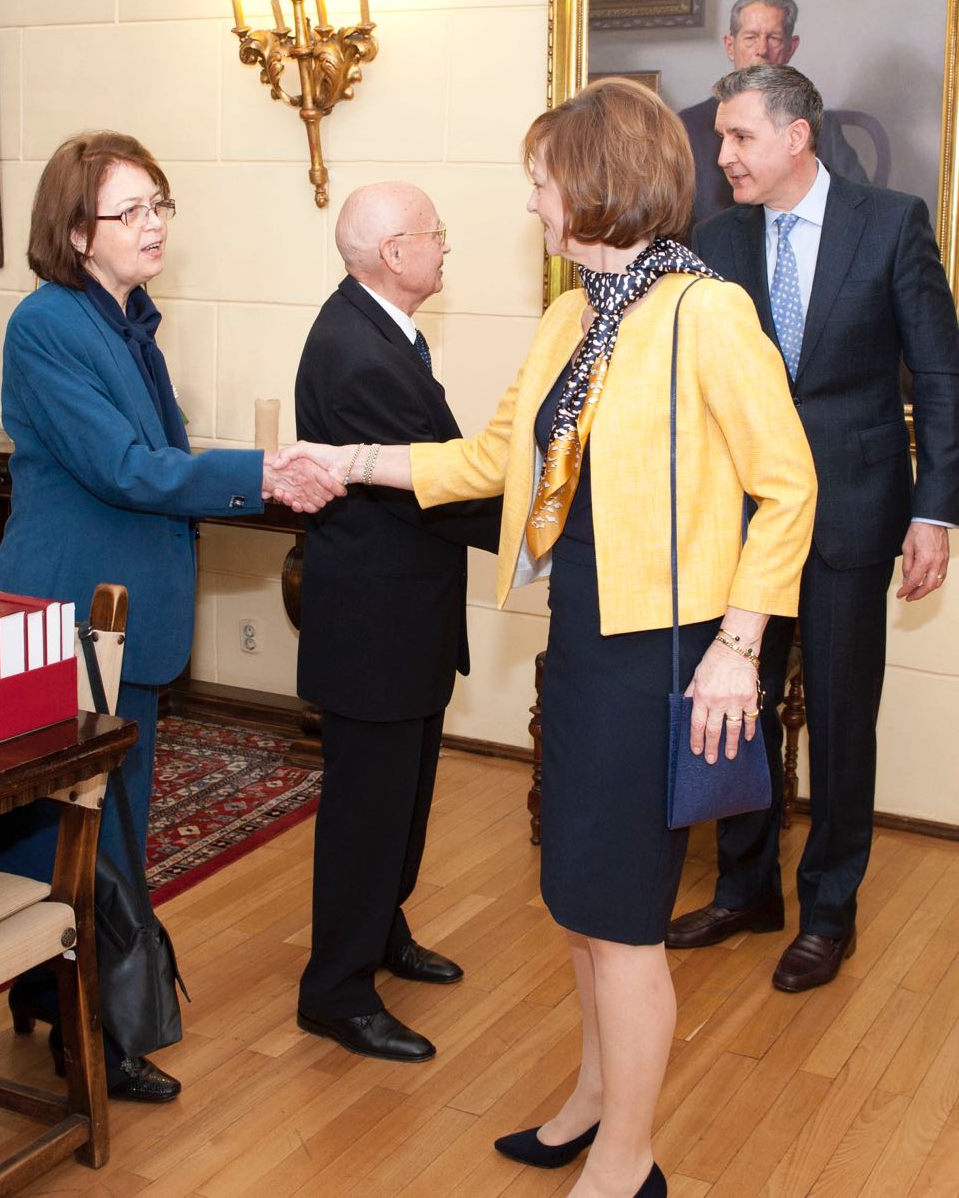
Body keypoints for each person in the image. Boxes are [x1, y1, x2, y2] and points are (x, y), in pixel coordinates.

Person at [277, 81, 817, 1198]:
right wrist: (352, 461)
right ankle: (587, 1102)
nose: (529, 205)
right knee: (578, 903)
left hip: (662, 656)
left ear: (595, 183)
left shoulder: (702, 313)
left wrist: (738, 644)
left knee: (620, 921)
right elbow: (487, 460)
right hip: (581, 644)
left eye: (538, 182)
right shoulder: (573, 316)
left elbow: (789, 487)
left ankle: (628, 1159)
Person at [0, 130, 342, 1102]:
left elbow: (148, 466)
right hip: (65, 611)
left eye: (160, 205)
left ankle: (54, 995)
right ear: (73, 229)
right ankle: (89, 1021)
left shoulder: (126, 320)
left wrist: (251, 475)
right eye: (131, 210)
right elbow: (122, 470)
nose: (154, 225)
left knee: (94, 817)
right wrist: (259, 474)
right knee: (73, 824)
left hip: (116, 615)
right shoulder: (50, 324)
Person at [668, 64, 959, 992]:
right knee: (734, 712)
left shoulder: (892, 222)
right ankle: (747, 888)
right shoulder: (714, 242)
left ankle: (830, 910)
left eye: (740, 137)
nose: (724, 156)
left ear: (798, 137)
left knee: (840, 720)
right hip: (746, 524)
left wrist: (935, 510)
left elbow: (942, 379)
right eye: (721, 138)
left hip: (854, 515)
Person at [292, 181, 502, 1064]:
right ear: (395, 254)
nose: (447, 247)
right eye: (437, 233)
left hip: (401, 619)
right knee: (368, 813)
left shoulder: (379, 330)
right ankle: (336, 990)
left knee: (403, 801)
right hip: (374, 626)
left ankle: (380, 932)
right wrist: (548, 535)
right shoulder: (360, 351)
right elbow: (433, 486)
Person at [680, 0, 867, 224]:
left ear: (791, 47)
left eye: (774, 38)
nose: (762, 50)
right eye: (750, 38)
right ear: (730, 46)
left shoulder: (822, 125)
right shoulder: (688, 126)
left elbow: (859, 206)